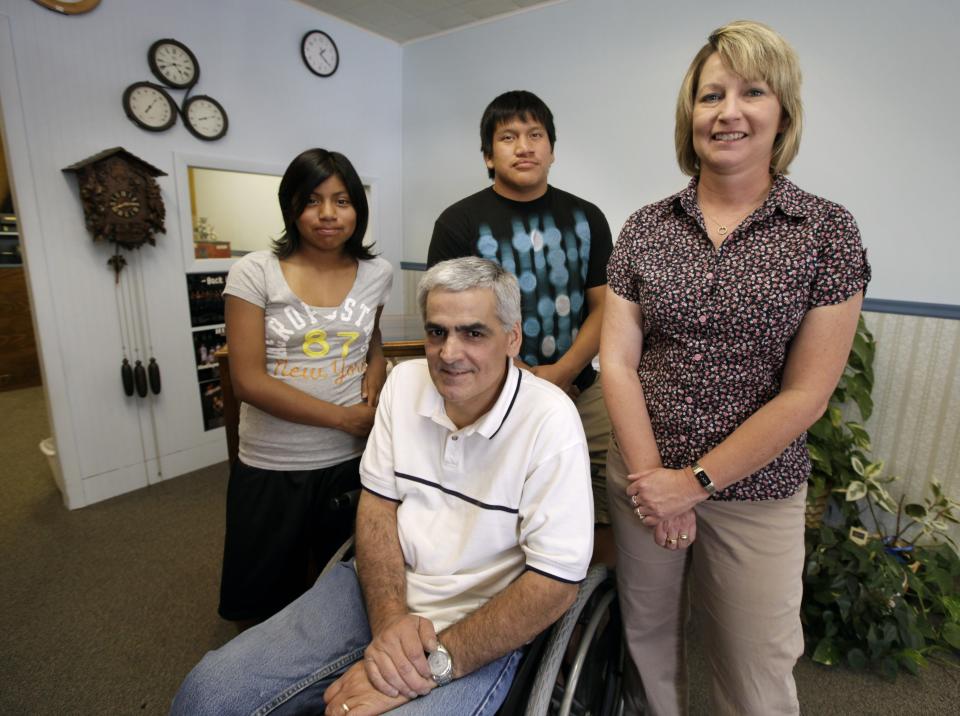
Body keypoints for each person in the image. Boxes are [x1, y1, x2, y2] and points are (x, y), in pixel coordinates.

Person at [171, 257, 594, 715]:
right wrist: (391, 620)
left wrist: (432, 665)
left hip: (483, 616)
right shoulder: (404, 384)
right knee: (207, 694)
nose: (450, 353)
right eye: (437, 332)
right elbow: (377, 506)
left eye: (474, 333)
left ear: (512, 338)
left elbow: (555, 584)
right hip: (380, 587)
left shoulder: (550, 420)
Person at [601, 20, 871, 716]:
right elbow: (619, 365)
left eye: (752, 91)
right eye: (709, 95)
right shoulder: (644, 228)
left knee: (756, 666)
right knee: (647, 643)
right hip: (641, 475)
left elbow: (807, 393)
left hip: (758, 490)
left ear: (782, 112)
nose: (728, 112)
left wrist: (692, 484)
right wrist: (652, 481)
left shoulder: (825, 232)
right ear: (688, 114)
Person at [427, 90, 615, 564]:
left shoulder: (587, 217)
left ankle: (598, 599)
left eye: (535, 135)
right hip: (491, 393)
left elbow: (604, 308)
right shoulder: (458, 222)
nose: (524, 146)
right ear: (489, 156)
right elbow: (450, 320)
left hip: (582, 388)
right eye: (508, 137)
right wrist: (526, 378)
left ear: (552, 148)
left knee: (605, 498)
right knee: (507, 505)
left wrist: (564, 372)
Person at [218, 148, 393, 628]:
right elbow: (248, 380)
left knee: (345, 591)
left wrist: (377, 364)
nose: (328, 215)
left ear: (358, 207)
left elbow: (366, 335)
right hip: (276, 464)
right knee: (266, 602)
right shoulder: (255, 272)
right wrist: (342, 418)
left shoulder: (378, 273)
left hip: (352, 461)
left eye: (342, 200)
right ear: (291, 206)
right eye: (312, 200)